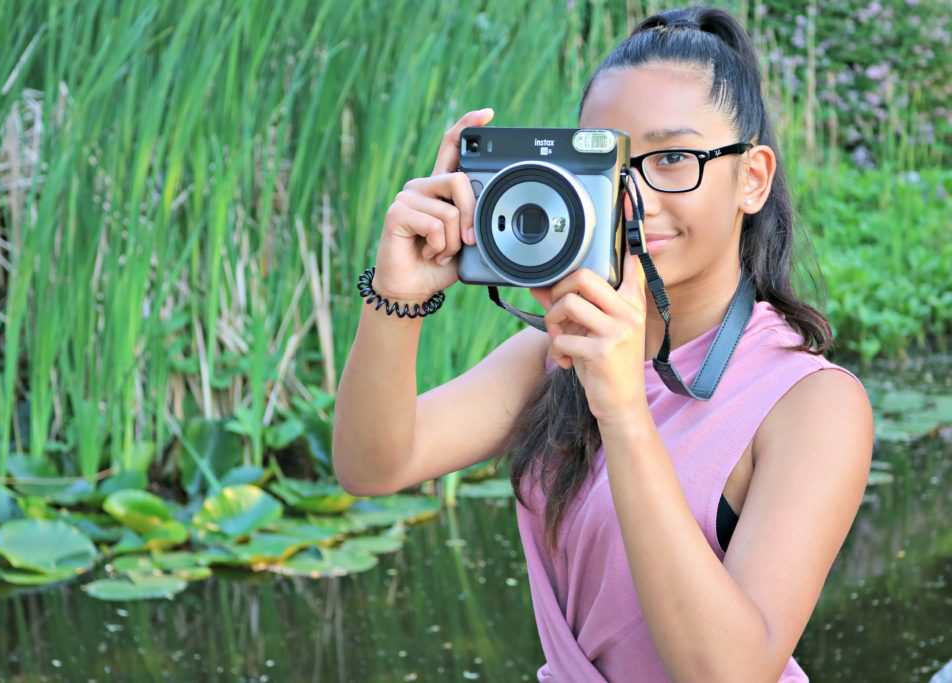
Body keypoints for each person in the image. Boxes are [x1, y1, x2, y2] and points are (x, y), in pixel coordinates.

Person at [332, 5, 873, 681]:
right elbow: (371, 464)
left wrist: (623, 409)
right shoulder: (561, 349)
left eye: (674, 158)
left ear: (753, 178)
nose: (635, 197)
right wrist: (397, 300)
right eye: (609, 163)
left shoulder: (812, 402)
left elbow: (730, 673)